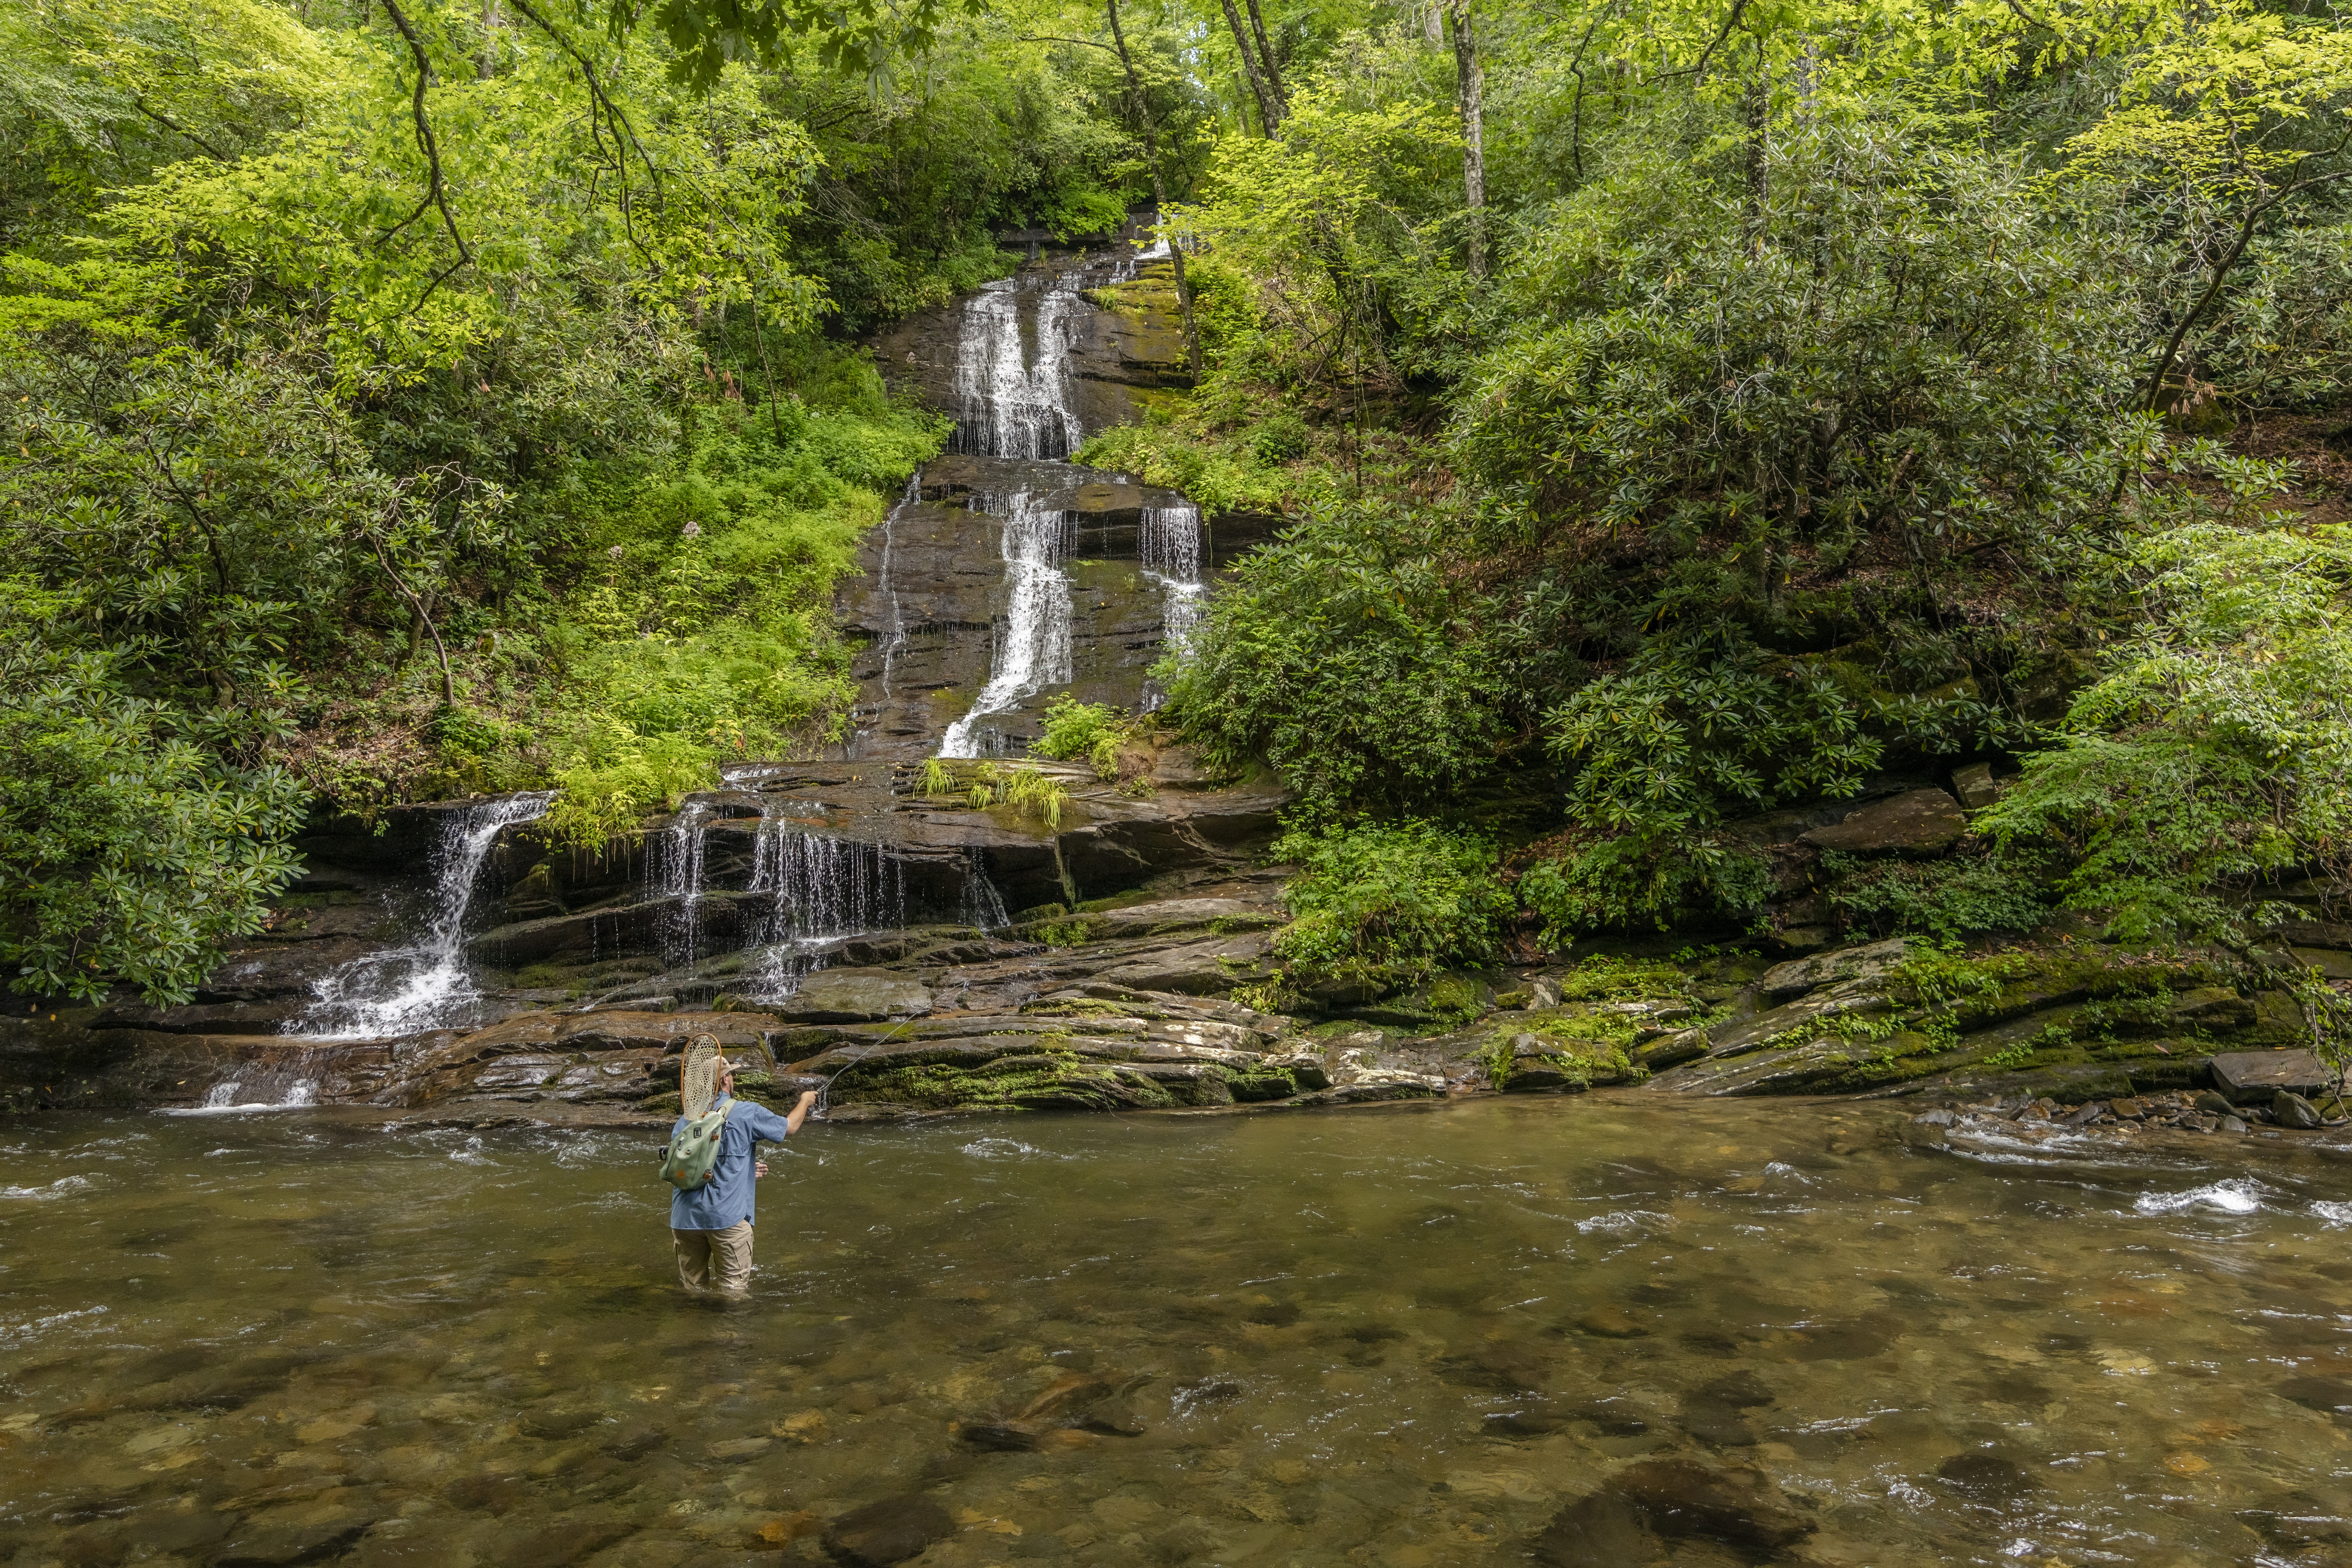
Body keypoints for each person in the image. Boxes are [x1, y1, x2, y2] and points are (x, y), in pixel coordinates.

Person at [669, 1057, 818, 1296]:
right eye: (732, 1076)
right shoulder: (747, 1112)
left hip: (684, 1219)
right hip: (726, 1218)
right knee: (734, 1296)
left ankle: (693, 1331)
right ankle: (729, 1334)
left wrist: (747, 1171)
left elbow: (693, 1166)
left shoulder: (685, 1119)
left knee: (694, 1290)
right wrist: (805, 1101)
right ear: (725, 1080)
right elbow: (790, 1127)